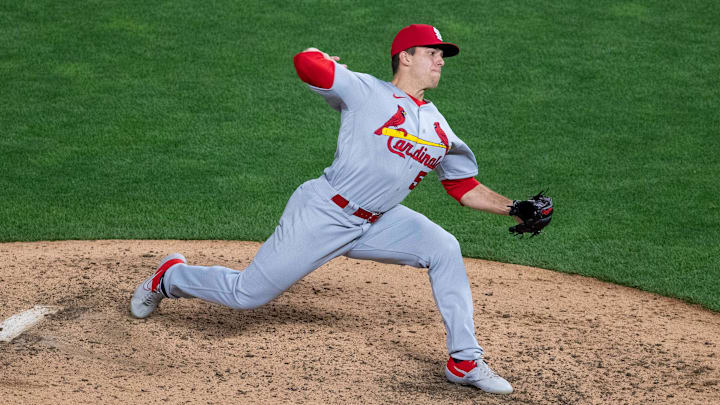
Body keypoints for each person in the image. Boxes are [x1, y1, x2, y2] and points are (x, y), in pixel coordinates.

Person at [131, 24, 520, 395]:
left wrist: (515, 208)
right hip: (324, 213)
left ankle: (464, 361)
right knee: (246, 294)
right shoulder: (367, 91)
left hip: (381, 220)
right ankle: (170, 277)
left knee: (444, 247)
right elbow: (306, 64)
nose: (441, 61)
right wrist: (321, 58)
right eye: (432, 53)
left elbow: (463, 186)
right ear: (405, 57)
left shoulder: (439, 127)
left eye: (442, 55)